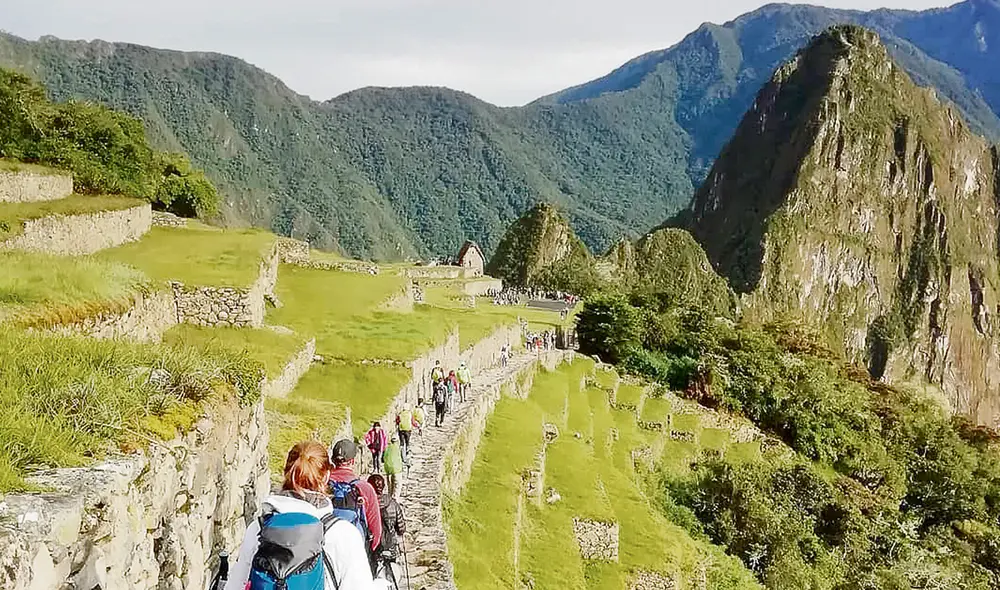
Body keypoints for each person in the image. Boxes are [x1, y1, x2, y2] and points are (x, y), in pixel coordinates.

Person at [224, 441, 388, 590]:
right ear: (326, 477)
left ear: (285, 473)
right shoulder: (343, 534)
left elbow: (235, 585)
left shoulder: (259, 529)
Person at [329, 439, 383, 557]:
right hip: (354, 550)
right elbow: (376, 531)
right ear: (353, 461)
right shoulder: (365, 488)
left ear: (333, 460)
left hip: (327, 549)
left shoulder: (322, 485)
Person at [367, 474, 406, 588]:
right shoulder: (393, 504)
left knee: (372, 576)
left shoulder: (367, 504)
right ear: (383, 486)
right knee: (393, 575)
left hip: (374, 547)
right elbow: (401, 529)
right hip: (390, 545)